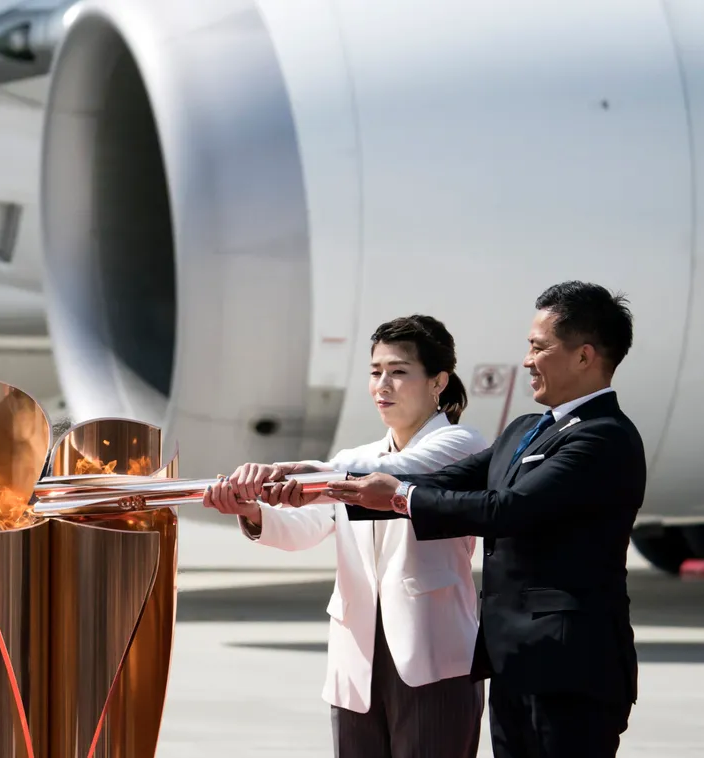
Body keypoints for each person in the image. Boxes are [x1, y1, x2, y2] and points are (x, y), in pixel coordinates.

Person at [325, 281, 641, 758]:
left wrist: (401, 496)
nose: (527, 360)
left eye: (539, 347)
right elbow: (447, 478)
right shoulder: (525, 430)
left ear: (584, 356)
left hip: (572, 670)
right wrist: (335, 487)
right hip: (513, 664)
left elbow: (510, 510)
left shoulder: (603, 438)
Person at [204, 314, 488, 757]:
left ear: (439, 382)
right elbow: (304, 530)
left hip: (434, 656)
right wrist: (252, 510)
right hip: (357, 657)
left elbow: (398, 475)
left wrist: (298, 471)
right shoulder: (354, 458)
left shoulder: (461, 445)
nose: (382, 386)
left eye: (398, 372)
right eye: (375, 373)